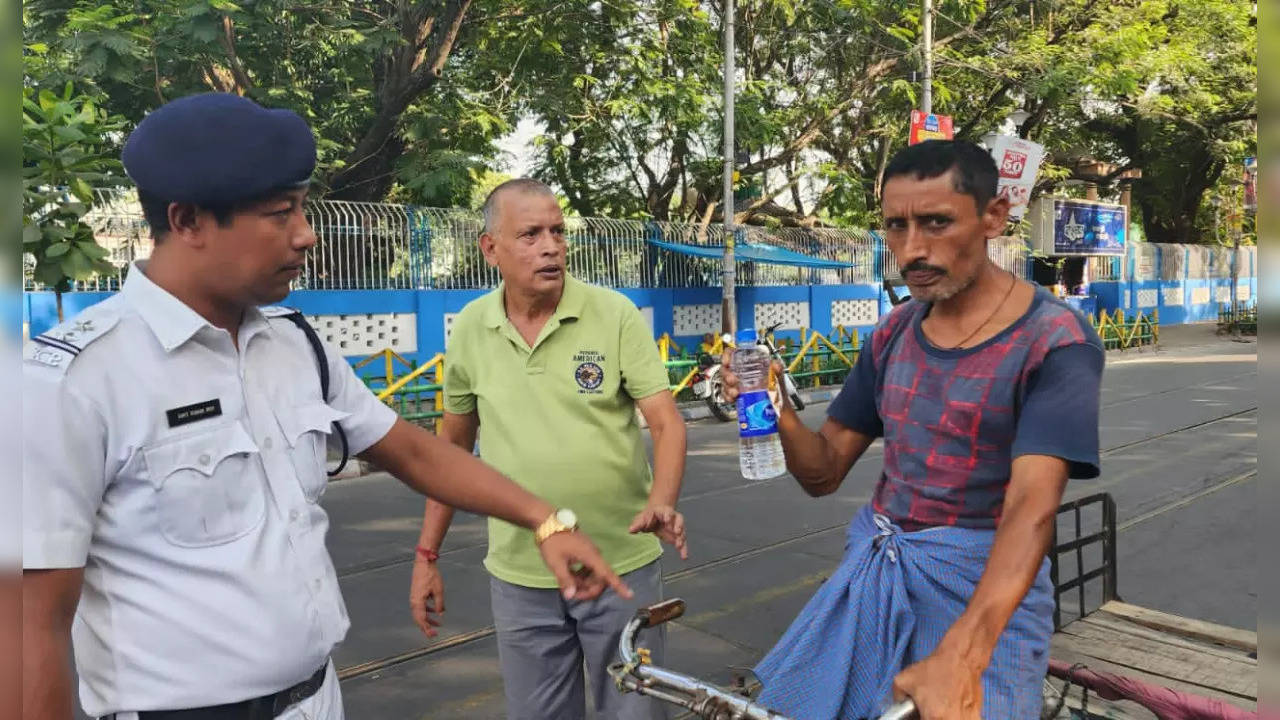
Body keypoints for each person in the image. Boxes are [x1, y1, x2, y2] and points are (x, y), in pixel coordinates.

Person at [22, 93, 631, 720]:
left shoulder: (292, 344)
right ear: (187, 222)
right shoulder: (78, 381)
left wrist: (544, 520)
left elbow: (412, 450)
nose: (306, 233)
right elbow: (31, 627)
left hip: (315, 700)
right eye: (280, 212)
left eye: (305, 208)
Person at [722, 140, 1105, 720]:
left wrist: (963, 657)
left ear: (994, 217)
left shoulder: (1055, 341)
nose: (912, 249)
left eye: (936, 223)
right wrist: (776, 403)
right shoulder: (894, 332)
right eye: (896, 227)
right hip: (878, 577)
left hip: (986, 598)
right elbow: (823, 473)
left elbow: (1030, 508)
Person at [408, 178, 688, 720]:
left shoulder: (614, 314)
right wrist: (426, 556)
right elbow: (449, 455)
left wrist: (663, 498)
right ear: (491, 249)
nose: (551, 246)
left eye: (558, 231)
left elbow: (667, 422)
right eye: (531, 234)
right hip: (521, 577)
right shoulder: (470, 328)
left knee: (636, 713)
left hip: (621, 568)